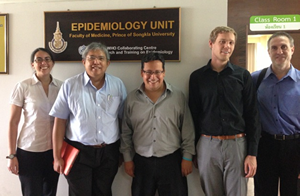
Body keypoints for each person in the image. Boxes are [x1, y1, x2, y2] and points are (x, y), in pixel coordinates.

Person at [188, 26, 261, 196]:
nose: (227, 46)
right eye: (222, 41)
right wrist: (193, 151)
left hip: (237, 145)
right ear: (211, 43)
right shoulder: (197, 77)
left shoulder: (243, 76)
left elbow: (252, 115)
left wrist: (252, 153)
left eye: (231, 42)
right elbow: (193, 115)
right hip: (207, 145)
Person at [50, 42, 127, 196]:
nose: (96, 62)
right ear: (84, 62)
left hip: (108, 153)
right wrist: (57, 157)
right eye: (91, 58)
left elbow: (123, 121)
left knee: (103, 192)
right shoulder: (70, 85)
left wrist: (122, 153)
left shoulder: (117, 85)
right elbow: (59, 122)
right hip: (77, 152)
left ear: (108, 63)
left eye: (101, 58)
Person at [120, 53, 195, 196]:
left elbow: (187, 129)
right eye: (148, 72)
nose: (153, 77)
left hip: (172, 161)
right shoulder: (131, 99)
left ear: (164, 72)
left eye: (157, 72)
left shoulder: (178, 97)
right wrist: (127, 159)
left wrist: (187, 157)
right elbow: (126, 132)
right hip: (141, 163)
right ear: (142, 72)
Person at [7, 48, 62, 196]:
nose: (43, 63)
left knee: (50, 193)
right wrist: (12, 155)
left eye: (47, 59)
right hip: (29, 151)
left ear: (53, 63)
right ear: (33, 64)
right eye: (38, 59)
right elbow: (13, 123)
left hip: (54, 151)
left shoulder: (62, 87)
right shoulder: (23, 86)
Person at [251, 32, 300, 196]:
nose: (279, 51)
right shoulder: (255, 79)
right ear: (269, 52)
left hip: (295, 147)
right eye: (274, 48)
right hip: (266, 146)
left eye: (284, 47)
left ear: (292, 49)